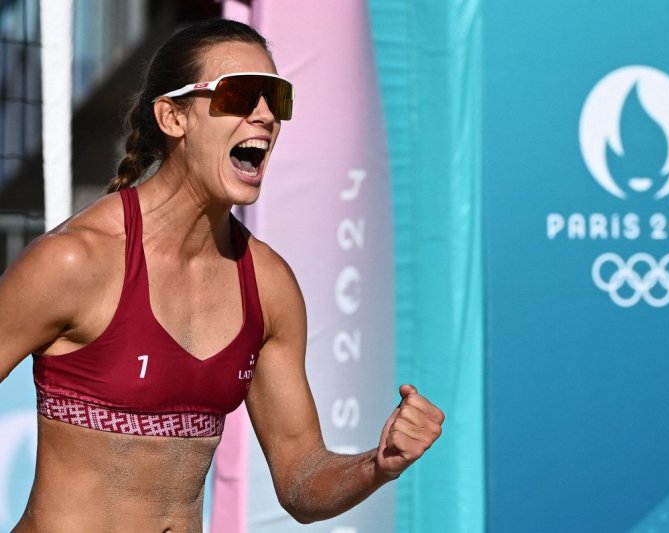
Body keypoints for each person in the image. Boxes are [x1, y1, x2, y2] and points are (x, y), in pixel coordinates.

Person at [0, 18, 444, 532]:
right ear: (173, 117)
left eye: (276, 98)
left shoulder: (268, 285)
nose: (265, 115)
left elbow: (301, 480)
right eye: (240, 94)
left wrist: (377, 465)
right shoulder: (75, 261)